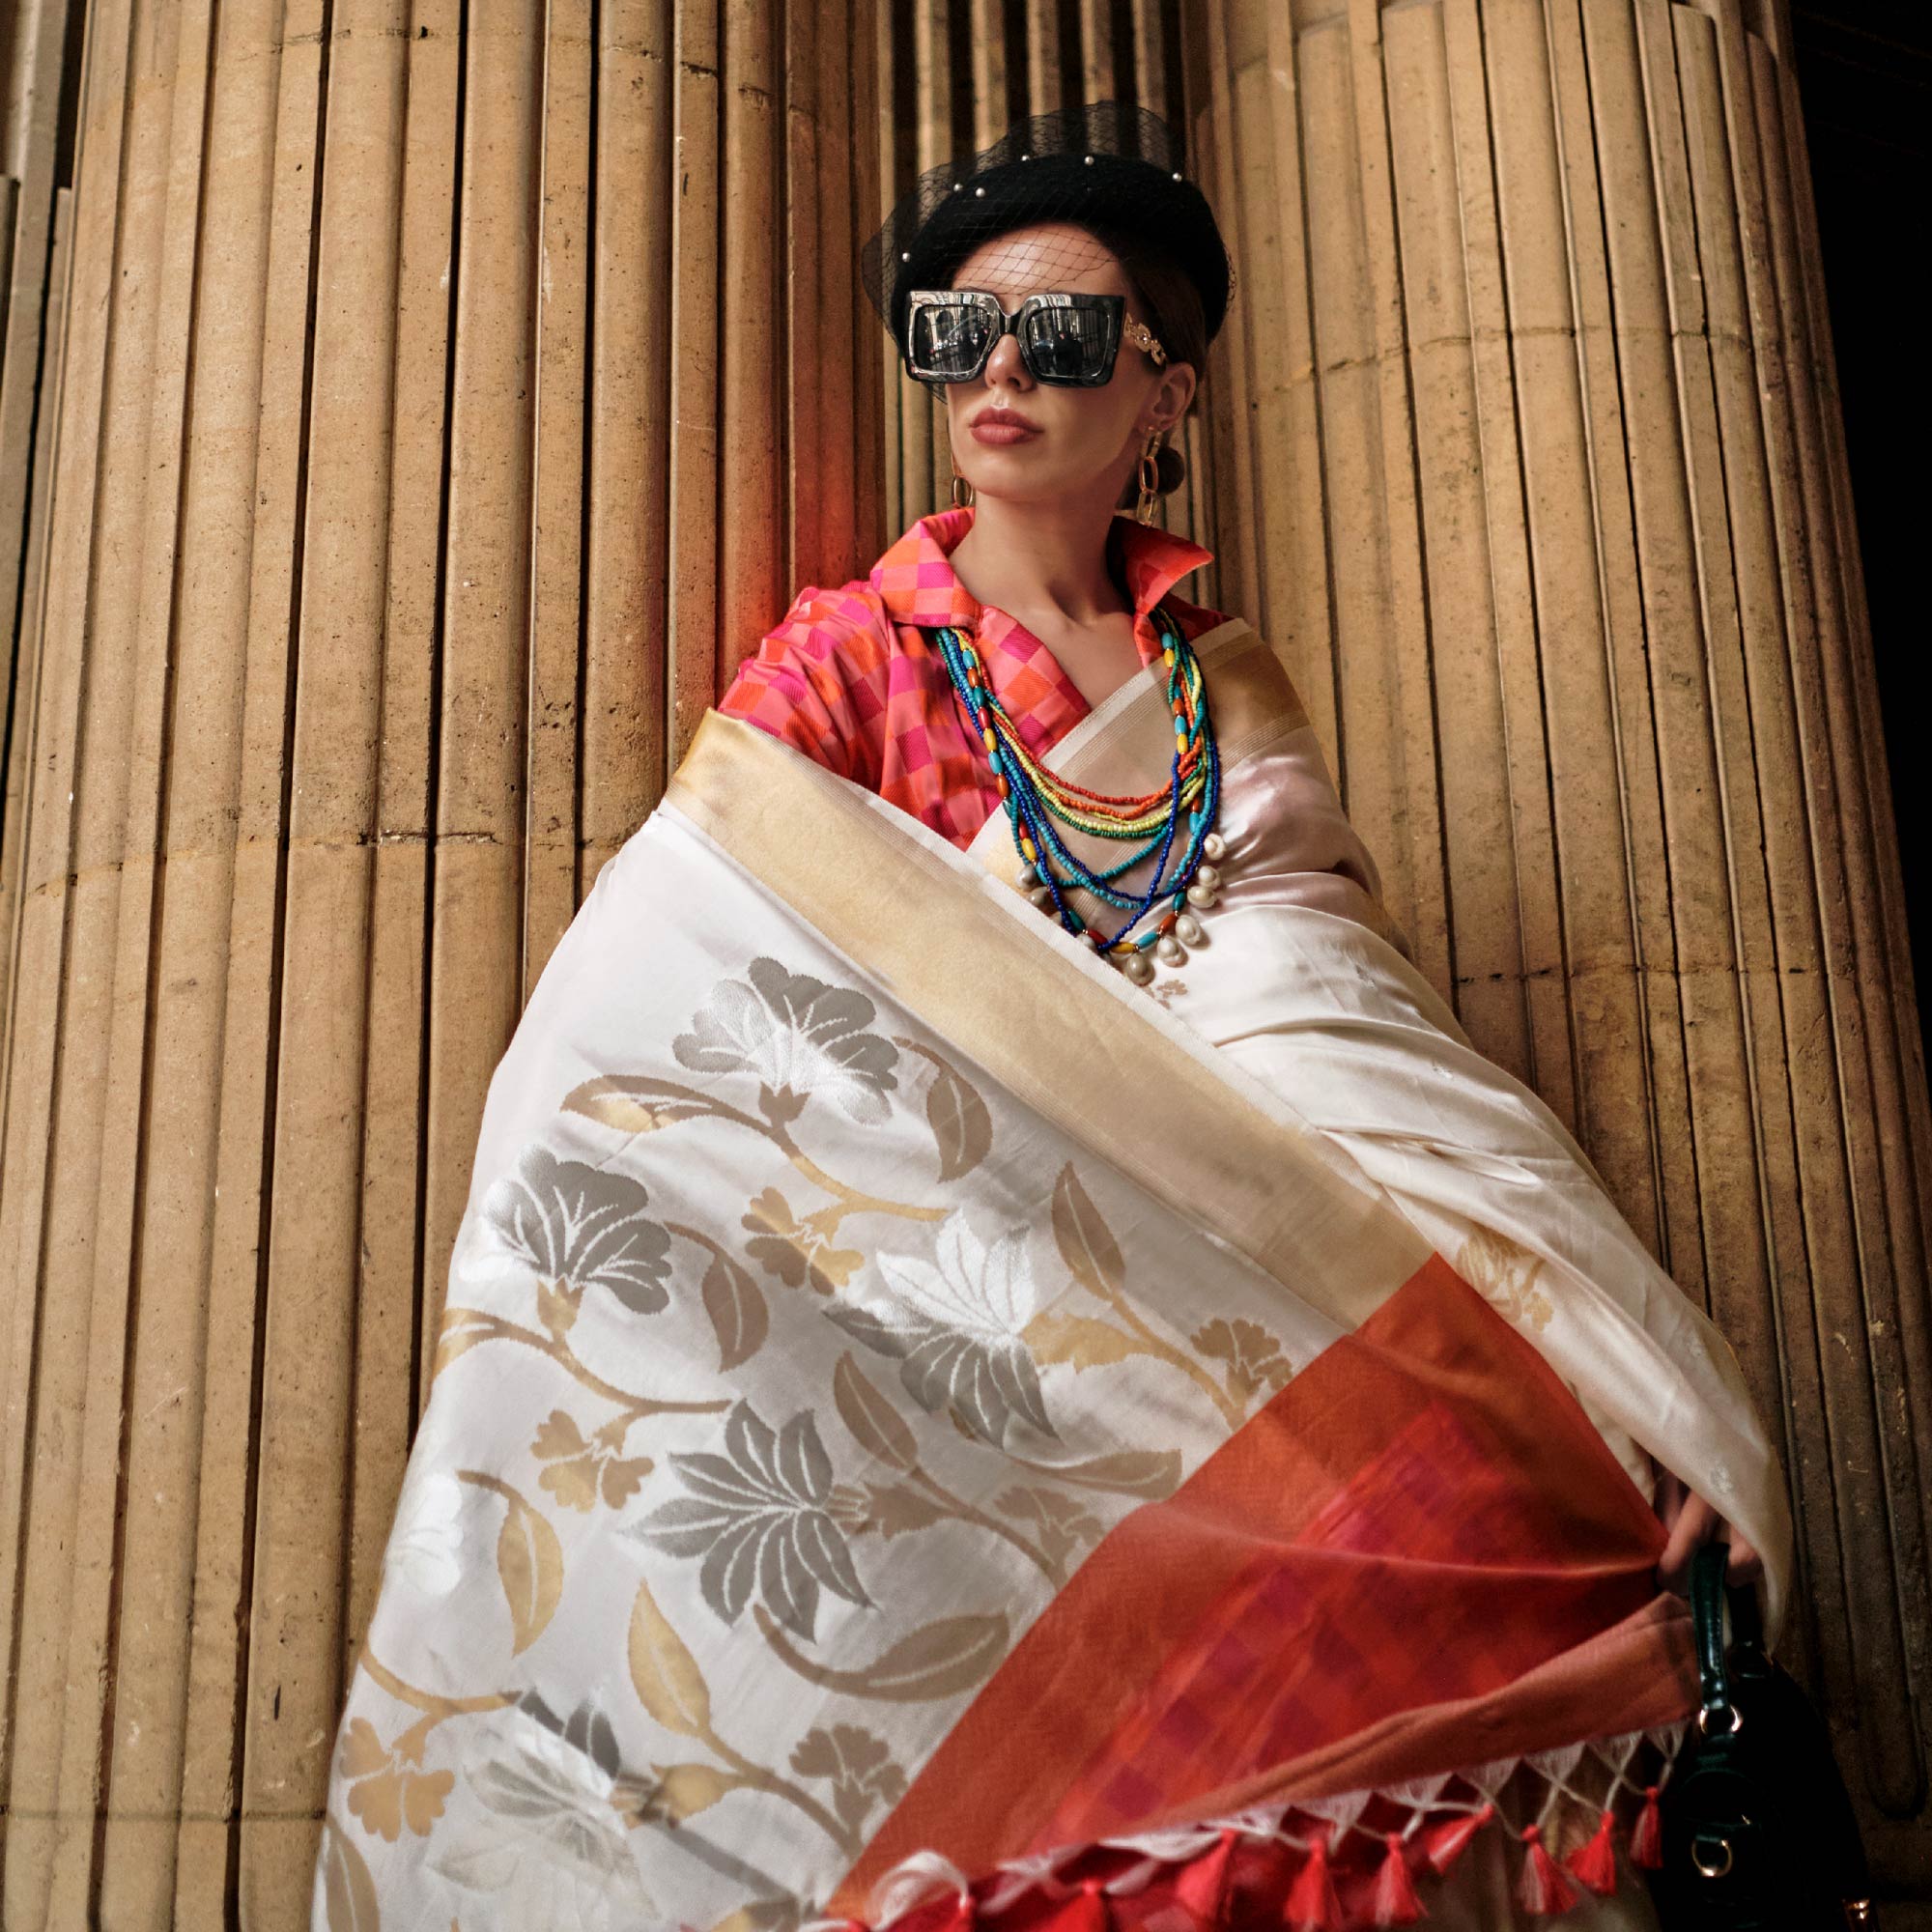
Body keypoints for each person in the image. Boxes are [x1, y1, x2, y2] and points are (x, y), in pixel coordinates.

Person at [315, 103, 1786, 1932]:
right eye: (959, 330)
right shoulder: (852, 656)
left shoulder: (1218, 664)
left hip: (1273, 1281)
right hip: (1001, 1329)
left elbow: (1341, 1032)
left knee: (1516, 1548)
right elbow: (678, 979)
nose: (1000, 367)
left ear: (1165, 390)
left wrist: (1628, 1397)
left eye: (1065, 335)